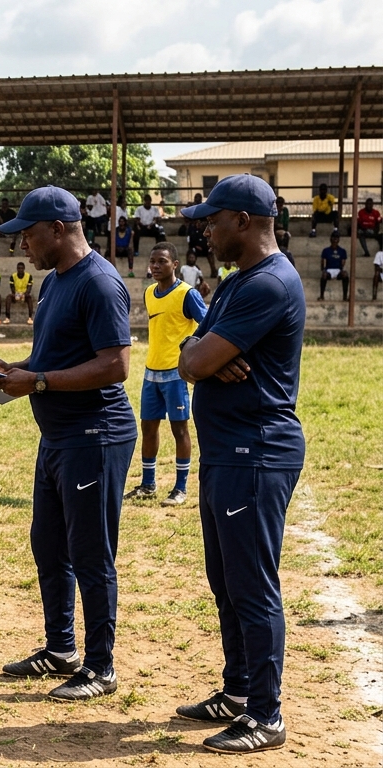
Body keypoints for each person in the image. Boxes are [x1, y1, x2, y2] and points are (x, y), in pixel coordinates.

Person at [0, 186, 136, 703]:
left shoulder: (100, 282)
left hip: (95, 434)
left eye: (28, 232)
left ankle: (101, 666)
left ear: (58, 229)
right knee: (48, 544)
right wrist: (17, 369)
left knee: (90, 552)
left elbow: (115, 366)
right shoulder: (53, 285)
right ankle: (61, 648)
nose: (22, 242)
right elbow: (56, 354)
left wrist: (40, 382)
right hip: (58, 437)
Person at [175, 174, 305, 754]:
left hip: (255, 452)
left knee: (252, 584)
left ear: (244, 222)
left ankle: (266, 714)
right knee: (226, 579)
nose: (207, 228)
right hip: (228, 451)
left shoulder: (267, 285)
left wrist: (205, 358)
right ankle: (237, 691)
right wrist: (203, 359)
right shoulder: (234, 284)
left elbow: (198, 355)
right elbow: (188, 357)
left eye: (213, 219)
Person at [124, 243, 206, 507]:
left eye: (162, 261)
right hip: (151, 372)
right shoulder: (149, 293)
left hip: (176, 373)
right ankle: (148, 484)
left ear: (175, 265)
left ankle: (180, 488)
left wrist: (191, 352)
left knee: (179, 429)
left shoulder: (187, 294)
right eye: (152, 262)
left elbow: (207, 325)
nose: (156, 266)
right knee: (148, 427)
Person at [133, 194, 165, 258]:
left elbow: (157, 219)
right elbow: (137, 220)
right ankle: (136, 250)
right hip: (142, 227)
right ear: (144, 201)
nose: (148, 202)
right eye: (146, 201)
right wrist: (142, 226)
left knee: (160, 233)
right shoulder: (139, 209)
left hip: (151, 227)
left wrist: (151, 224)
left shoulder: (154, 209)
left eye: (149, 201)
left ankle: (159, 250)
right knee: (135, 233)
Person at [319, 232, 349, 301]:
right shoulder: (326, 250)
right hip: (329, 270)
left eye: (337, 238)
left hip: (338, 270)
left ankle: (345, 297)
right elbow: (323, 261)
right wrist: (323, 270)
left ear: (339, 240)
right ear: (330, 239)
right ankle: (321, 296)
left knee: (345, 275)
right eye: (334, 237)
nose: (335, 239)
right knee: (324, 275)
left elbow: (343, 262)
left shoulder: (342, 251)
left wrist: (341, 270)